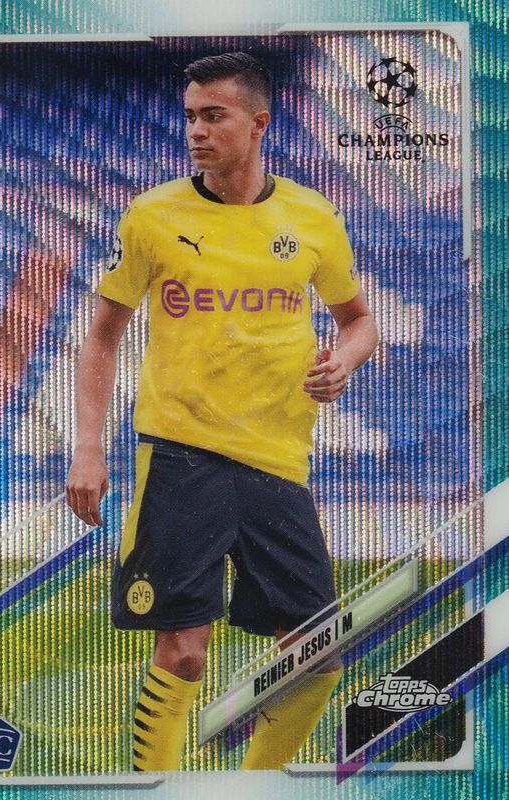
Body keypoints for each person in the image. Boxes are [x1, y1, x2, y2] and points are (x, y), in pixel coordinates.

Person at [66, 51, 379, 771]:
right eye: (190, 117)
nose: (196, 131)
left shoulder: (312, 217)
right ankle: (154, 789)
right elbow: (102, 336)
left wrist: (345, 359)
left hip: (277, 461)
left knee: (318, 656)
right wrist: (88, 446)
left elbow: (360, 321)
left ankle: (253, 785)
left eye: (214, 116)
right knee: (182, 653)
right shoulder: (153, 215)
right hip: (181, 455)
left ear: (258, 123)